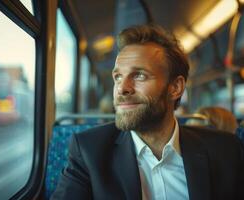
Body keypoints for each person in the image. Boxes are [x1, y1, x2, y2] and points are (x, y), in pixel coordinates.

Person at [51, 24, 244, 200]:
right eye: (118, 77)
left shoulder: (225, 149)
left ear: (175, 87)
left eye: (139, 75)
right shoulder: (89, 150)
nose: (122, 88)